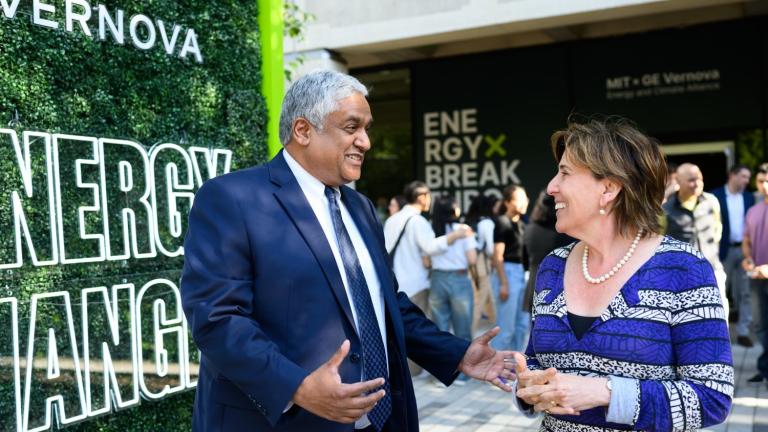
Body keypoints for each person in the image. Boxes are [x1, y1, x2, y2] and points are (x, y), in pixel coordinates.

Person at [180, 70, 516, 432]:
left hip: (378, 422)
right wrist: (296, 387)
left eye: (367, 128)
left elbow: (387, 305)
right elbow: (217, 318)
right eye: (352, 127)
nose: (366, 142)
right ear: (303, 130)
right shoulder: (233, 198)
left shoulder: (360, 207)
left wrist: (458, 354)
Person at [513, 118, 733, 431]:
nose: (551, 187)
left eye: (565, 173)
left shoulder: (684, 268)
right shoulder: (553, 266)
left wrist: (605, 392)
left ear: (609, 188)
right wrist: (530, 387)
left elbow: (712, 398)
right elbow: (536, 360)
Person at [383, 181, 472, 377]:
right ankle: (412, 374)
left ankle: (402, 372)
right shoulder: (418, 221)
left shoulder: (392, 220)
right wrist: (456, 235)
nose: (430, 200)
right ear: (421, 197)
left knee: (398, 331)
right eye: (428, 196)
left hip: (393, 282)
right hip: (415, 284)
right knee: (415, 332)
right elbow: (430, 247)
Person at [662, 163, 728, 315]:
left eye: (700, 179)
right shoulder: (666, 210)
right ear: (678, 182)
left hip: (712, 269)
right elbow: (659, 241)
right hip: (680, 275)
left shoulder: (711, 201)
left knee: (719, 313)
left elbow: (717, 230)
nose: (697, 183)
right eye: (691, 180)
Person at [711, 164, 755, 347]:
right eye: (744, 176)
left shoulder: (749, 197)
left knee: (745, 292)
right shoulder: (715, 196)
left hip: (745, 250)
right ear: (732, 175)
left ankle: (743, 331)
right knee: (721, 291)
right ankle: (721, 333)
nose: (747, 181)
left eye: (748, 177)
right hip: (723, 250)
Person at [428, 196, 477, 346]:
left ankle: (441, 360)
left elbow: (426, 259)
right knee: (463, 330)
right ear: (454, 209)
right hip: (459, 278)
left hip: (437, 278)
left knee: (439, 329)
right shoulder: (463, 230)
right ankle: (463, 361)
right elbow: (472, 259)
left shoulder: (430, 229)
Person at [522, 190, 573, 318]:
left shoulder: (530, 229)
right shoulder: (567, 232)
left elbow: (525, 261)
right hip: (561, 289)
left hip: (535, 285)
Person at [491, 184, 530, 352]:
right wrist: (504, 283)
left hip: (522, 273)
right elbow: (497, 256)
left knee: (522, 325)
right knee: (506, 328)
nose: (523, 202)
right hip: (507, 272)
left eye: (525, 199)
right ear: (507, 202)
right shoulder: (502, 222)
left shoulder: (522, 224)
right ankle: (495, 365)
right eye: (518, 199)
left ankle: (516, 364)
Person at [743, 181, 768, 384]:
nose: (765, 184)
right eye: (762, 180)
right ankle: (765, 368)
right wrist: (748, 258)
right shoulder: (753, 210)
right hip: (756, 277)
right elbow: (747, 240)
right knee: (760, 325)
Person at [465, 194, 498, 334]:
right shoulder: (487, 223)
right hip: (482, 264)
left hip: (468, 263)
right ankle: (469, 333)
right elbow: (490, 249)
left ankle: (496, 323)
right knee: (478, 300)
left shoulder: (468, 221)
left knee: (486, 297)